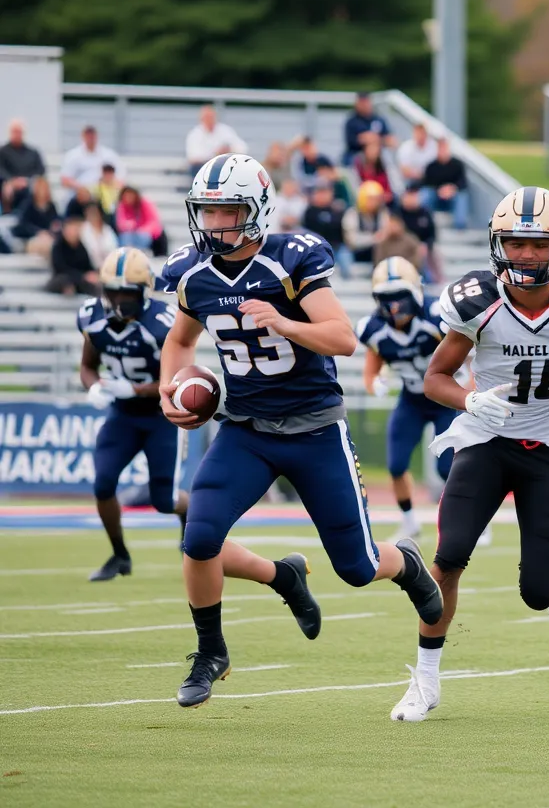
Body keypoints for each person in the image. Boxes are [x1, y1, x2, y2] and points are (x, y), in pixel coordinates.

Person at [158, 152, 443, 708]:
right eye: (208, 213)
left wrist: (284, 320)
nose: (215, 225)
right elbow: (179, 341)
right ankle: (211, 651)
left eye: (229, 212)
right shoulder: (193, 273)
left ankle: (406, 562)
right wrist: (173, 390)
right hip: (245, 429)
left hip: (315, 431)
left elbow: (342, 337)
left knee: (357, 568)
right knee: (198, 537)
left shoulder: (290, 259)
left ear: (259, 208)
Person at [390, 186, 549, 722]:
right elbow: (435, 379)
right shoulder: (477, 302)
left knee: (535, 595)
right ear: (497, 243)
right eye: (515, 242)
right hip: (487, 444)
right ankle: (426, 680)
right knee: (448, 556)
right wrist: (470, 399)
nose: (525, 254)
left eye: (537, 243)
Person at [76, 247, 320, 623]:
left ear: (144, 291)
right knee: (103, 482)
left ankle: (188, 535)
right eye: (113, 293)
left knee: (162, 498)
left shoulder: (161, 321)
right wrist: (94, 387)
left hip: (162, 416)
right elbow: (88, 366)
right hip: (122, 417)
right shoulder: (92, 318)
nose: (120, 301)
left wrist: (135, 388)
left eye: (128, 293)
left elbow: (179, 374)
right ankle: (120, 554)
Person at [357, 257, 461, 541]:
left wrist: (469, 395)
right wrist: (375, 384)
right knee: (396, 464)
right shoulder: (374, 329)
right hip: (412, 399)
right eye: (387, 298)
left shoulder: (437, 317)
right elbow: (371, 371)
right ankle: (409, 521)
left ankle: (472, 520)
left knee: (447, 468)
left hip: (447, 399)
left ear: (416, 291)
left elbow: (471, 356)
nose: (394, 306)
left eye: (399, 297)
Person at [419, 138, 470, 230]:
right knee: (425, 194)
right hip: (436, 195)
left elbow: (463, 182)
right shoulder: (431, 166)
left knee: (461, 196)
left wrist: (452, 189)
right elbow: (426, 183)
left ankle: (460, 226)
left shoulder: (457, 165)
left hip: (452, 195)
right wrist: (439, 190)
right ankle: (424, 221)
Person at [185, 105, 247, 179]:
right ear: (201, 119)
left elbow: (243, 148)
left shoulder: (225, 130)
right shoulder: (195, 134)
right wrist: (216, 154)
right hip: (203, 170)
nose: (209, 120)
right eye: (207, 117)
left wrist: (229, 149)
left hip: (224, 167)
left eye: (211, 117)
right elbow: (194, 157)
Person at [0, 118, 45, 212]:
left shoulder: (33, 152)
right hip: (8, 184)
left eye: (19, 132)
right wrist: (12, 181)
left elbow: (40, 170)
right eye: (14, 132)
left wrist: (26, 180)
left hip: (29, 184)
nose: (17, 134)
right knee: (7, 189)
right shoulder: (3, 151)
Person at [47, 216, 100, 297]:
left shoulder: (81, 247)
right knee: (64, 281)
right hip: (63, 278)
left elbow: (87, 265)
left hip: (80, 280)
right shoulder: (58, 246)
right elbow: (60, 268)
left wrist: (93, 274)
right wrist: (82, 276)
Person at [60, 126, 124, 192]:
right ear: (83, 137)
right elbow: (65, 180)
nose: (90, 138)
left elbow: (120, 178)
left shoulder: (109, 155)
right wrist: (84, 188)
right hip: (79, 194)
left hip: (104, 193)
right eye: (88, 135)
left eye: (92, 135)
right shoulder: (73, 155)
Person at [343, 92, 395, 165]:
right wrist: (365, 140)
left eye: (365, 102)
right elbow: (351, 142)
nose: (364, 105)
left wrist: (375, 139)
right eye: (361, 103)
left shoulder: (379, 119)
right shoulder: (352, 122)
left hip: (378, 154)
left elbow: (389, 138)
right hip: (357, 152)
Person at [13, 176, 59, 257]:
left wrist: (55, 226)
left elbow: (55, 221)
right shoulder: (28, 205)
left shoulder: (51, 206)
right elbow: (23, 225)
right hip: (31, 238)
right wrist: (38, 232)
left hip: (48, 237)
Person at [115, 186, 167, 257]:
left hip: (147, 234)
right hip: (130, 234)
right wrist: (129, 225)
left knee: (143, 236)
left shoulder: (145, 203)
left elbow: (154, 222)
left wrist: (143, 229)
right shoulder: (122, 206)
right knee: (125, 237)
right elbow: (120, 224)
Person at [396, 123, 437, 189]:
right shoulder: (405, 148)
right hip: (410, 182)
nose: (420, 136)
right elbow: (404, 171)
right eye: (418, 133)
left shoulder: (434, 147)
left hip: (429, 183)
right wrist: (423, 174)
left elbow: (436, 169)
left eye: (422, 133)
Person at [80, 201, 119, 269]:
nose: (93, 215)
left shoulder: (107, 230)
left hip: (109, 266)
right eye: (90, 213)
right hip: (90, 268)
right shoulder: (83, 230)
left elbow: (114, 249)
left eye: (95, 212)